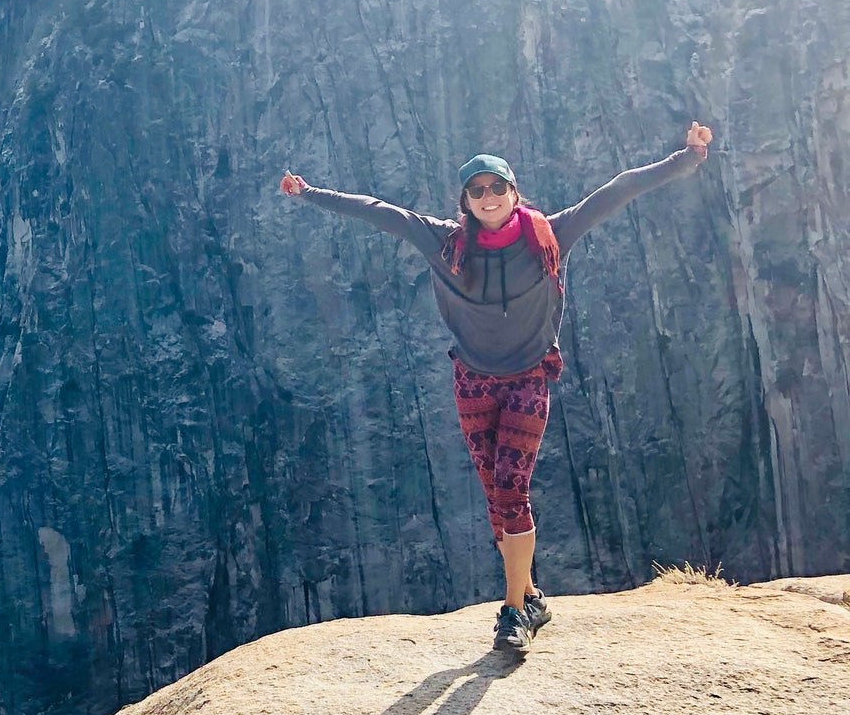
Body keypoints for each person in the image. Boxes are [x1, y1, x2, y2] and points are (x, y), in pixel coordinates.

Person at [278, 122, 713, 653]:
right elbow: (378, 211)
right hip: (473, 377)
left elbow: (619, 189)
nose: (488, 198)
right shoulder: (444, 242)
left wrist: (688, 157)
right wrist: (310, 193)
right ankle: (530, 594)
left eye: (496, 187)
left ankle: (512, 613)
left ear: (513, 191)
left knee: (511, 488)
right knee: (494, 492)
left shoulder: (553, 234)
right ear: (465, 200)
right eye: (476, 190)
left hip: (529, 375)